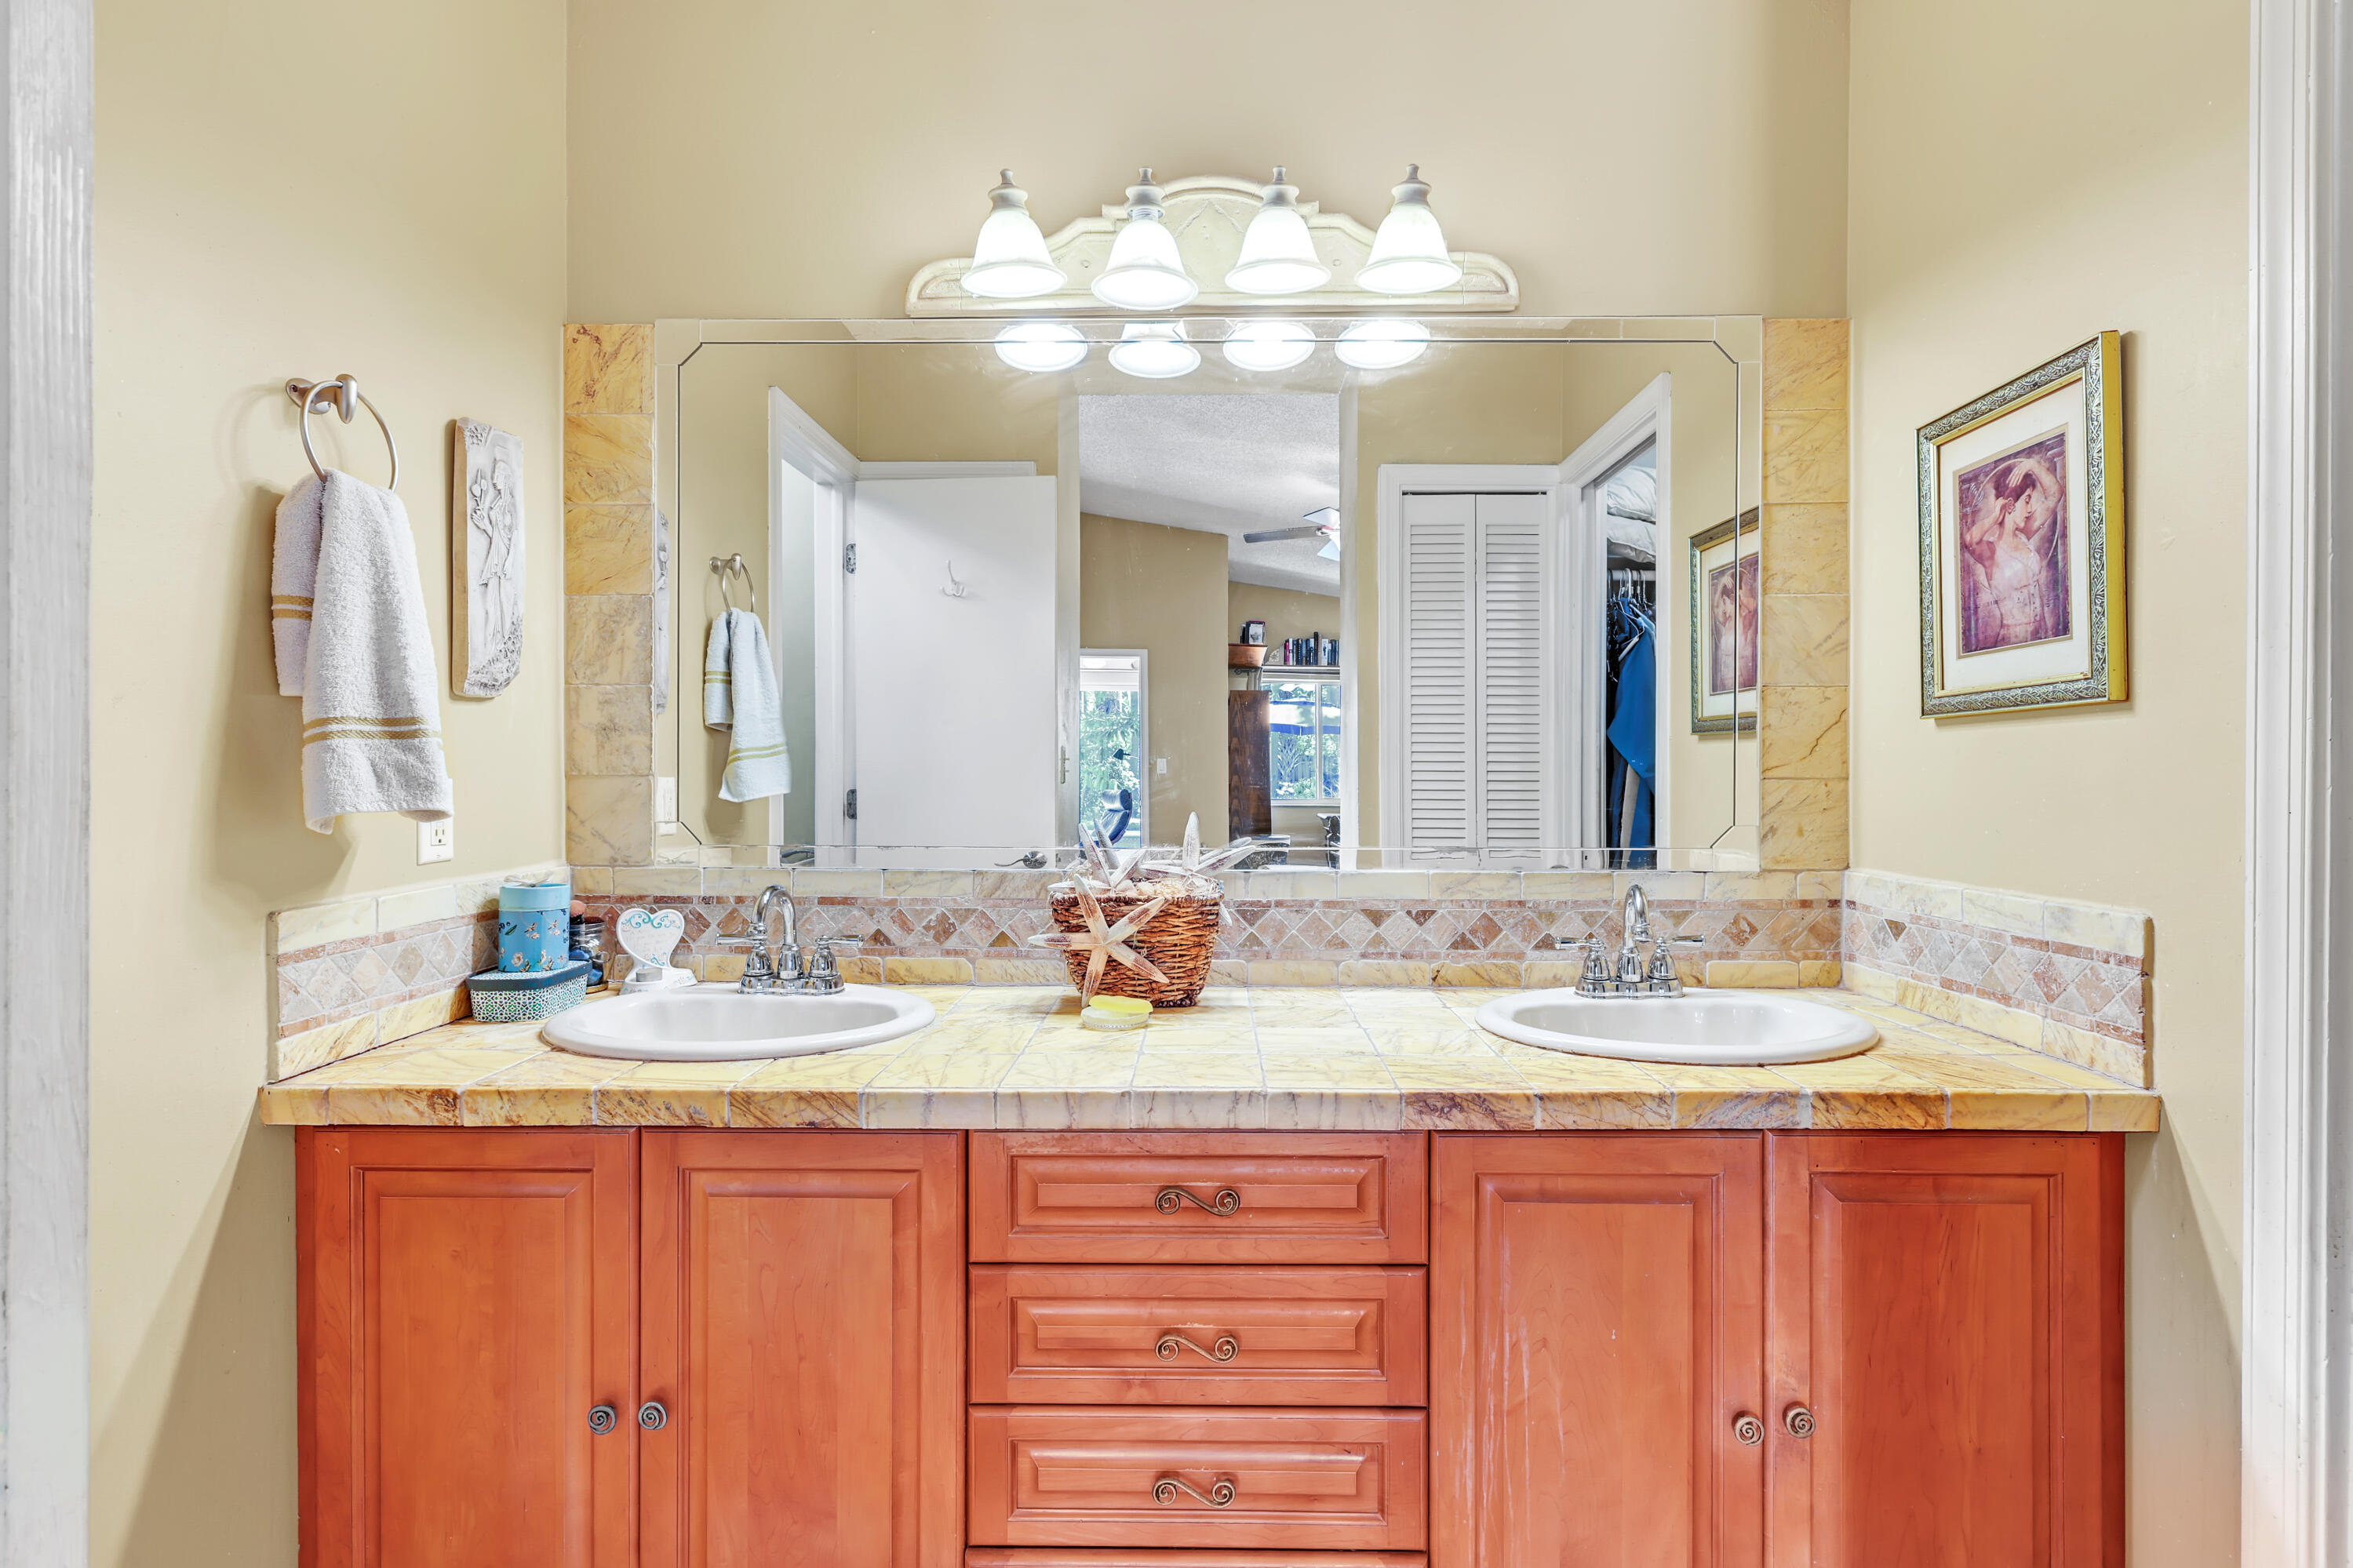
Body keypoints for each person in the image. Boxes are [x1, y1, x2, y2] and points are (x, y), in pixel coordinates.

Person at [1960, 448, 2068, 651]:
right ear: (2010, 505)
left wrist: (2032, 466)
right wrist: (1994, 518)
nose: (2030, 510)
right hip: (2012, 641)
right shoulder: (1991, 551)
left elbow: (2055, 495)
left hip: (2041, 634)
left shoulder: (2025, 534)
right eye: (2027, 501)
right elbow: (1969, 541)